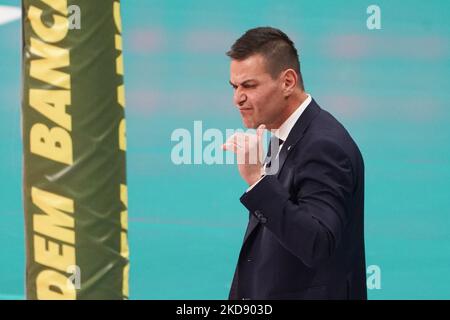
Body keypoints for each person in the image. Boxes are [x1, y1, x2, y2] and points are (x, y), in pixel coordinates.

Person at [222, 27, 367, 300]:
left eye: (249, 86)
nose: (237, 98)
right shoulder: (284, 133)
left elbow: (317, 243)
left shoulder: (324, 146)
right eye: (235, 87)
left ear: (288, 81)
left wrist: (258, 181)